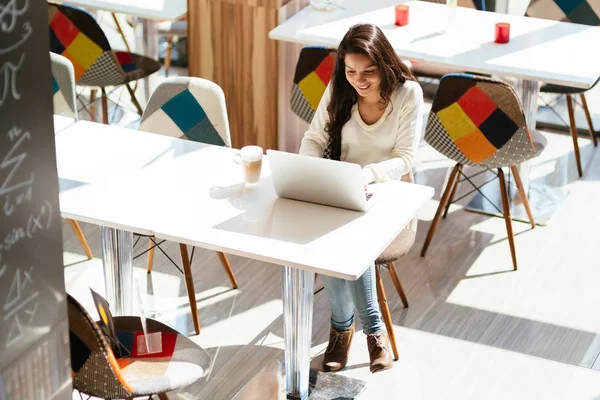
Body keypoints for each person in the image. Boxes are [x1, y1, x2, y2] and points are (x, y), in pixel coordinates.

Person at [299, 23, 424, 373]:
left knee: (351, 237)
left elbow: (405, 159)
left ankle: (353, 329)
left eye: (369, 72)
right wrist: (309, 171)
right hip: (342, 186)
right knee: (339, 229)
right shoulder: (340, 87)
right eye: (351, 71)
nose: (359, 80)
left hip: (388, 189)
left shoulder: (408, 94)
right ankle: (363, 331)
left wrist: (366, 174)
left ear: (385, 64)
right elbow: (313, 138)